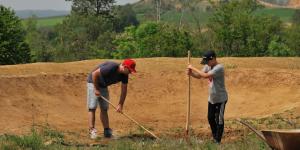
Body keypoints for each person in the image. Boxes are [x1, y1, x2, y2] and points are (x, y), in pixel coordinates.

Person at [86, 59, 136, 139]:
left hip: (103, 85)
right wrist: (96, 89)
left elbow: (124, 90)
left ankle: (107, 131)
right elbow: (94, 74)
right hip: (93, 81)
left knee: (104, 108)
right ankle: (92, 130)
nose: (130, 72)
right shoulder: (111, 67)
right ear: (125, 67)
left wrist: (120, 104)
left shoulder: (124, 75)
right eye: (129, 70)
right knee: (92, 107)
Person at [186, 50, 228, 144]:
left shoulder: (219, 68)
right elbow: (199, 75)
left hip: (221, 99)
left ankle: (218, 140)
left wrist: (192, 67)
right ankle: (215, 137)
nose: (207, 64)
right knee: (210, 117)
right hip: (212, 99)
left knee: (219, 119)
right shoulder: (208, 66)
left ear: (213, 59)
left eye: (208, 61)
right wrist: (191, 73)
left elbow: (205, 75)